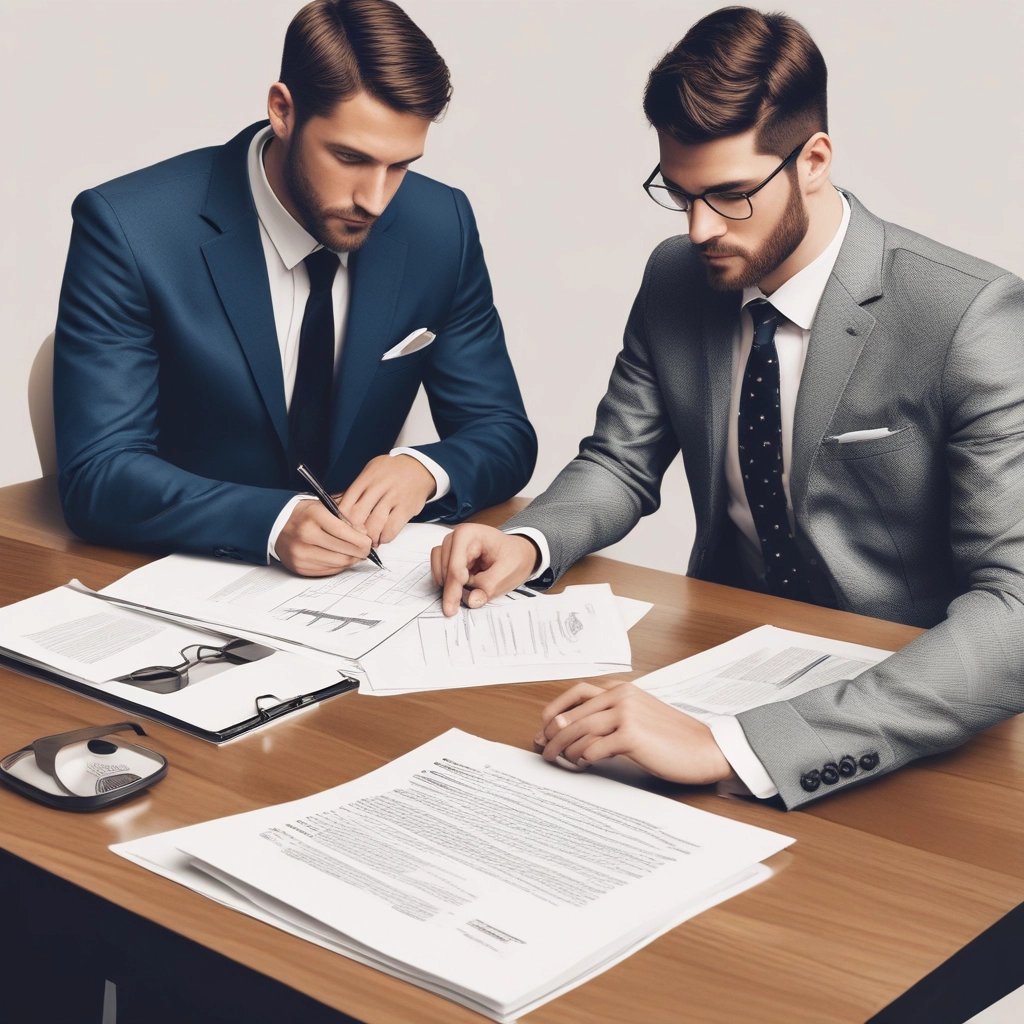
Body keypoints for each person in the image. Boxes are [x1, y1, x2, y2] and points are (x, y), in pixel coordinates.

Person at [431, 6, 1024, 808]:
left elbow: (1014, 607)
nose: (700, 227)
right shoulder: (677, 277)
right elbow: (619, 462)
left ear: (813, 160)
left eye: (731, 194)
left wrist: (732, 745)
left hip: (902, 705)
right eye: (677, 193)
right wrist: (531, 542)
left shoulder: (968, 317)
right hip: (719, 657)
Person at [53, 0, 536, 577]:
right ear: (283, 111)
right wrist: (273, 522)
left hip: (356, 594)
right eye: (350, 157)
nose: (376, 200)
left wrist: (423, 469)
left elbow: (503, 433)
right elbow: (100, 473)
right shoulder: (130, 229)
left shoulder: (441, 226)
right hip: (176, 578)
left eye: (401, 165)